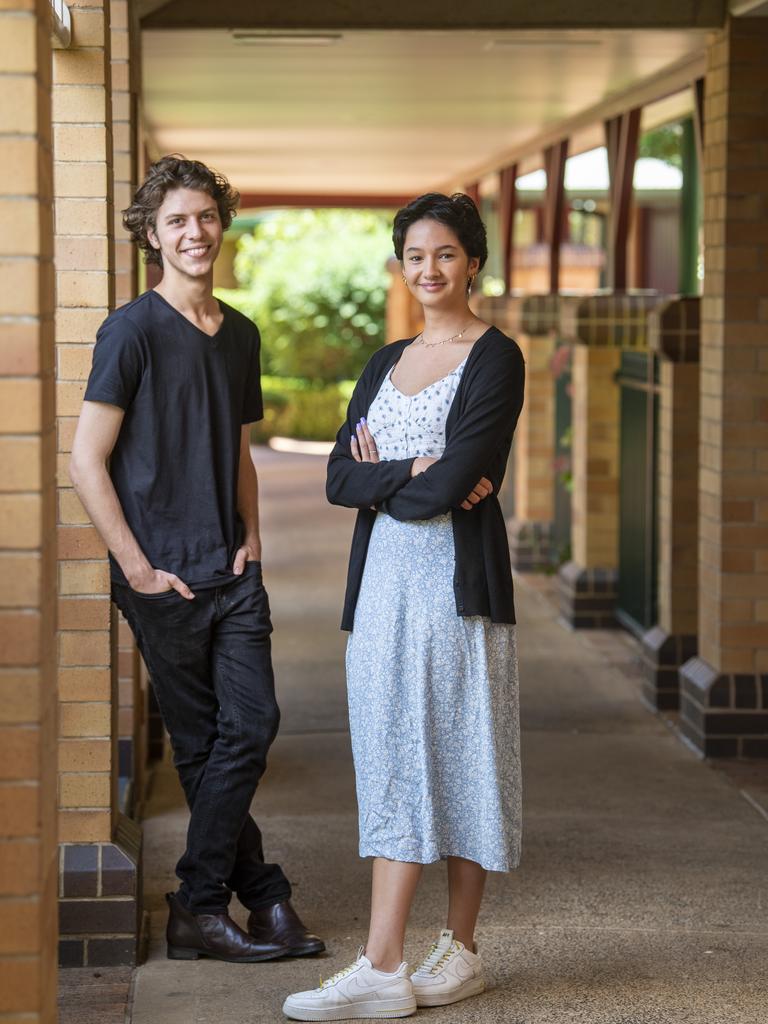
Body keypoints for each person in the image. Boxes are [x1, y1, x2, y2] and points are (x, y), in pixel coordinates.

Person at [70, 155, 324, 964]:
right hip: (163, 579)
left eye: (206, 216)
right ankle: (262, 900)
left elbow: (237, 448)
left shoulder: (239, 333)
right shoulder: (131, 330)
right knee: (206, 743)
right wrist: (138, 570)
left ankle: (200, 903)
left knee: (249, 727)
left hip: (232, 568)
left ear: (223, 223)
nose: (195, 231)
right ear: (152, 234)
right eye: (176, 219)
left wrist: (253, 534)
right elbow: (85, 459)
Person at [282, 193, 525, 1021]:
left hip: (457, 595)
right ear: (402, 265)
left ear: (474, 263)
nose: (429, 269)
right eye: (415, 255)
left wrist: (419, 475)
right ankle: (387, 965)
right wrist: (412, 471)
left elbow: (458, 482)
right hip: (383, 591)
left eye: (446, 254)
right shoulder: (384, 362)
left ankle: (451, 955)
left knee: (464, 756)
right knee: (392, 758)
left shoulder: (496, 359)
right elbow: (338, 479)